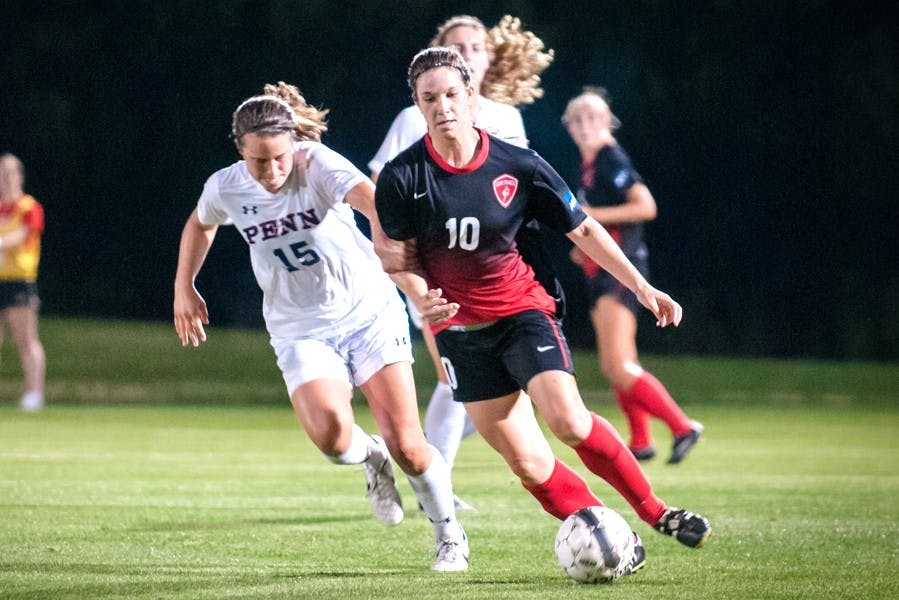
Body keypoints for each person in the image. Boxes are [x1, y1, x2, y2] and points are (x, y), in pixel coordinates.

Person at [374, 48, 712, 566]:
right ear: (417, 106)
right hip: (461, 335)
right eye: (429, 98)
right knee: (529, 464)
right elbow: (396, 259)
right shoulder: (402, 178)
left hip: (523, 313)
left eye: (450, 94)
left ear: (471, 97)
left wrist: (643, 288)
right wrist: (417, 292)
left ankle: (654, 510)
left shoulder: (517, 164)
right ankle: (617, 538)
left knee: (569, 421)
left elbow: (585, 229)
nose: (442, 106)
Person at [172, 82, 468, 572]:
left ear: (294, 144)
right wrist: (185, 286)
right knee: (332, 438)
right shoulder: (226, 186)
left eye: (279, 158)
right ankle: (373, 459)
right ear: (240, 152)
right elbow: (200, 223)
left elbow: (375, 204)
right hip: (299, 328)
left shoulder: (317, 163)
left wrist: (412, 276)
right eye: (258, 162)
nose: (271, 172)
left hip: (368, 312)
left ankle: (449, 534)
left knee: (412, 450)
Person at [369, 15, 554, 510]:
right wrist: (398, 264)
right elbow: (381, 186)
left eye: (476, 46)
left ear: (487, 59)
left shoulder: (507, 118)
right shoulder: (420, 115)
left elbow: (519, 195)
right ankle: (437, 482)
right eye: (458, 46)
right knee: (458, 385)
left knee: (494, 392)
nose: (468, 52)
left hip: (498, 276)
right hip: (434, 279)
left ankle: (424, 463)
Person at [562, 87, 703, 464]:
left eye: (592, 117)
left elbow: (645, 206)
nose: (584, 125)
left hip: (621, 273)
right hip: (603, 273)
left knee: (616, 365)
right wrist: (584, 246)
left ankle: (682, 426)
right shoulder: (589, 166)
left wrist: (589, 220)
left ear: (608, 122)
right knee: (619, 361)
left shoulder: (611, 158)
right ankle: (641, 441)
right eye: (576, 119)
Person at [0, 153, 46, 412]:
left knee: (26, 339)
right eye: (1, 174)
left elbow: (25, 234)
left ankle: (34, 393)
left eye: (9, 173)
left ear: (19, 176)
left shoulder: (29, 207)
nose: (5, 179)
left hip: (19, 281)